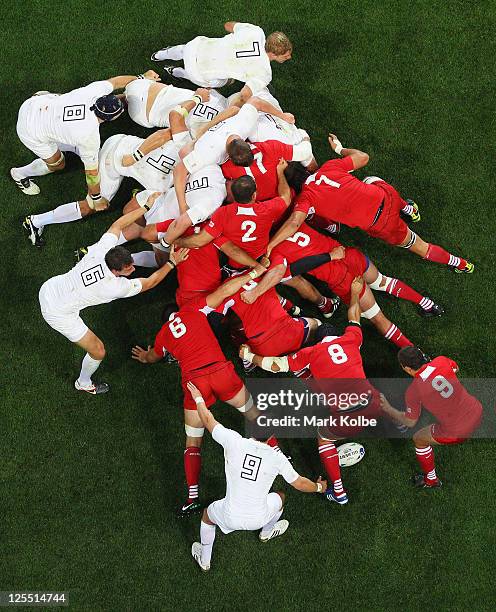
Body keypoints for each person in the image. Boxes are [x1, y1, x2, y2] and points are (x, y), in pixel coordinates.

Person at [131, 263, 267, 516]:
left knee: (193, 441)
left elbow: (153, 358)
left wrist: (144, 356)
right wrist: (252, 274)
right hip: (220, 371)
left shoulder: (163, 335)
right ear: (178, 311)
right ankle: (278, 453)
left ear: (165, 321)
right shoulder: (193, 309)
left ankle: (193, 495)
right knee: (251, 412)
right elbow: (226, 289)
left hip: (195, 384)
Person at [241, 277, 383, 505]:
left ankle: (338, 491)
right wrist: (355, 292)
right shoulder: (351, 339)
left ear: (317, 340)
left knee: (324, 439)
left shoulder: (311, 353)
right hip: (374, 406)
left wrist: (249, 357)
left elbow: (275, 365)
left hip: (346, 414)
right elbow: (354, 316)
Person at [38, 194, 188, 395]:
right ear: (117, 271)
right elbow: (150, 283)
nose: (133, 270)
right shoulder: (114, 288)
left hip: (50, 288)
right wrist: (172, 264)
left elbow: (117, 225)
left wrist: (145, 207)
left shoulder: (100, 251)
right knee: (98, 351)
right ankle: (83, 383)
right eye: (129, 269)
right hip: (58, 313)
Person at [267, 134, 474, 274]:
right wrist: (339, 148)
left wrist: (270, 245)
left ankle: (463, 264)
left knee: (421, 247)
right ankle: (409, 209)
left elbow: (294, 223)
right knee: (371, 180)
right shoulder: (329, 168)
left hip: (383, 224)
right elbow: (363, 157)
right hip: (387, 197)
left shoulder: (306, 199)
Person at [186, 381, 327, 571]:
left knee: (207, 517)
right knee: (281, 497)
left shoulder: (233, 441)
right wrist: (319, 487)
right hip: (259, 518)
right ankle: (266, 533)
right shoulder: (277, 458)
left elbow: (208, 420)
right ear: (271, 437)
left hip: (228, 515)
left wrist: (198, 398)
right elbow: (300, 483)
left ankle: (205, 560)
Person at [251, 221, 444, 347]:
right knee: (384, 281)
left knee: (378, 318)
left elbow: (292, 274)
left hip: (341, 279)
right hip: (348, 255)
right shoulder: (295, 223)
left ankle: (414, 353)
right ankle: (428, 304)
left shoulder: (277, 257)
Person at [12, 70, 160, 200]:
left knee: (63, 101)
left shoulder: (93, 92)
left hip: (34, 105)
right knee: (58, 164)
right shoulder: (89, 137)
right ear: (109, 119)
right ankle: (20, 174)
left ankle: (41, 97)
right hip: (29, 130)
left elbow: (115, 82)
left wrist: (142, 77)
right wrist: (95, 198)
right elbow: (91, 173)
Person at [23, 129, 181, 247]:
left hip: (120, 140)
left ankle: (60, 140)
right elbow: (130, 211)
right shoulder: (162, 188)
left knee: (87, 148)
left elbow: (164, 134)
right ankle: (36, 221)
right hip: (112, 162)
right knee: (92, 205)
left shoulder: (186, 144)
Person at [171, 96, 295, 222]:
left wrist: (283, 115)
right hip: (198, 141)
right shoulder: (209, 154)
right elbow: (179, 170)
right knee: (183, 152)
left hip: (213, 128)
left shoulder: (242, 126)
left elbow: (255, 102)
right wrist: (182, 206)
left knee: (235, 108)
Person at [380, 346, 483, 488]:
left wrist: (388, 408)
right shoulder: (441, 360)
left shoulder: (414, 391)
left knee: (419, 439)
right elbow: (456, 369)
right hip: (476, 410)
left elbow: (410, 422)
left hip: (458, 432)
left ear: (408, 369)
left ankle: (431, 480)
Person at [174, 158, 291, 270]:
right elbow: (286, 197)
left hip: (232, 262)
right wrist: (280, 172)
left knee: (213, 233)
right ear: (254, 195)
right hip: (260, 255)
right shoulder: (267, 208)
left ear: (232, 196)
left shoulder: (223, 212)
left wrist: (176, 241)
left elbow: (199, 240)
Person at [151, 22, 292, 99]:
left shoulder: (256, 32)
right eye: (285, 55)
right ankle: (176, 72)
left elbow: (228, 25)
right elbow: (244, 94)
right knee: (226, 81)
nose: (289, 57)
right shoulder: (264, 73)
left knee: (184, 49)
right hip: (198, 73)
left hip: (196, 47)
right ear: (274, 54)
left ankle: (160, 55)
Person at [221, 138, 314, 201]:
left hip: (276, 200)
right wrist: (305, 136)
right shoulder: (269, 147)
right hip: (285, 190)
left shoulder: (226, 169)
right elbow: (304, 152)